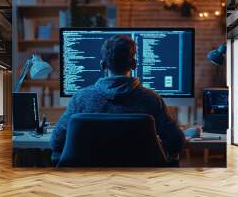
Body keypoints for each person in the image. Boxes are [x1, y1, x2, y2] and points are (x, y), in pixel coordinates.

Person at [50, 35, 200, 163]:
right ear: (134, 64)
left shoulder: (81, 98)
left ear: (103, 65)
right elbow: (175, 143)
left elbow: (56, 141)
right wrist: (184, 134)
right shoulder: (151, 99)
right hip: (139, 182)